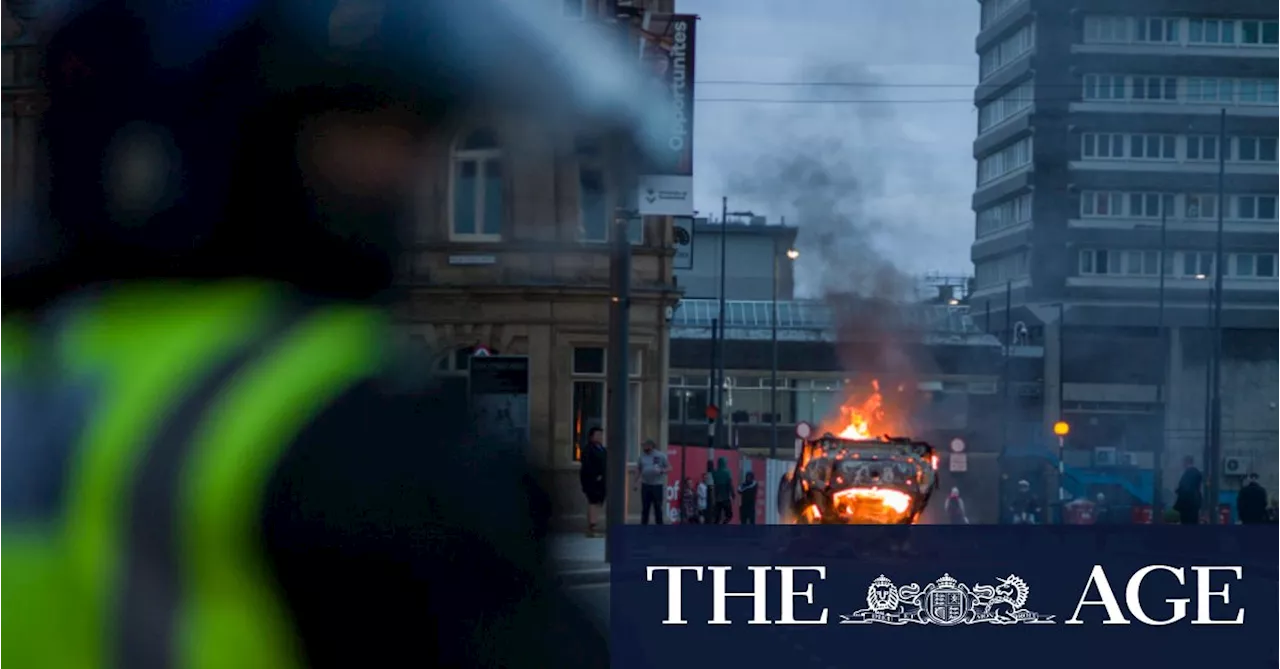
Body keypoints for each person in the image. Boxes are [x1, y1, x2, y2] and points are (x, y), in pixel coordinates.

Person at [0, 1, 668, 667]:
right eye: (360, 128)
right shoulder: (351, 423)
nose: (404, 174)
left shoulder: (29, 366)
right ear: (241, 128)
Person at [579, 427, 608, 536]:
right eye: (597, 435)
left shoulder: (602, 449)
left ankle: (593, 525)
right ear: (591, 436)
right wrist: (595, 476)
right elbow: (586, 465)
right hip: (592, 481)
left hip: (602, 482)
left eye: (601, 435)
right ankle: (592, 527)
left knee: (597, 503)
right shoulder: (588, 449)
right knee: (593, 503)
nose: (600, 437)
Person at [635, 439, 669, 525]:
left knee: (657, 507)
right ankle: (644, 527)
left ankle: (659, 527)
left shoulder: (660, 455)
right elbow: (639, 469)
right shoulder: (642, 456)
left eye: (645, 445)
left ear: (651, 446)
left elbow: (669, 468)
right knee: (645, 508)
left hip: (657, 485)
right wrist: (635, 482)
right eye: (643, 445)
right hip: (645, 485)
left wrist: (662, 471)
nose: (643, 447)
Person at [1173, 456, 1204, 525]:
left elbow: (1186, 488)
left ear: (1187, 462)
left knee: (1186, 523)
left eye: (1183, 462)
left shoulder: (1189, 473)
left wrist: (1178, 491)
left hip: (1187, 505)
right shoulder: (1196, 472)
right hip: (1194, 503)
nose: (1182, 464)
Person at [713, 456, 735, 524]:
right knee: (729, 515)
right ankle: (724, 524)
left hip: (717, 497)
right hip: (725, 497)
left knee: (717, 516)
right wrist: (732, 494)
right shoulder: (728, 472)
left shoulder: (715, 472)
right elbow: (730, 484)